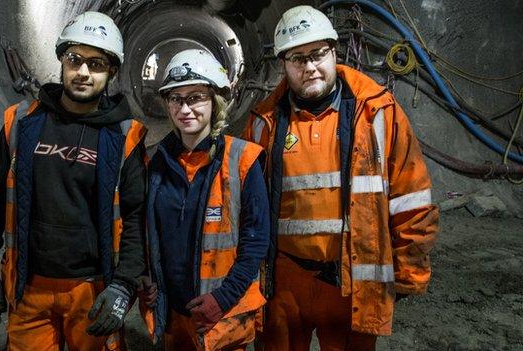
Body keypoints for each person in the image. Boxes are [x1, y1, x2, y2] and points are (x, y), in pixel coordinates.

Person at [242, 5, 439, 351]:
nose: (311, 67)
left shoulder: (378, 112)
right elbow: (246, 211)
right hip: (286, 281)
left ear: (334, 52)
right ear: (283, 65)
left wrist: (409, 271)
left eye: (318, 54)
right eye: (297, 58)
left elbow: (412, 196)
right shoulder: (263, 124)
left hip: (350, 279)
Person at [0, 11, 147, 350]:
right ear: (62, 60)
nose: (83, 72)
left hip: (92, 289)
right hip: (30, 287)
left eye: (96, 64)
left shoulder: (125, 136)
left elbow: (136, 216)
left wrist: (123, 285)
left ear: (111, 71)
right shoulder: (22, 122)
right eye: (75, 59)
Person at [139, 49, 270, 351]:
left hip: (221, 316)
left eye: (196, 97)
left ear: (215, 102)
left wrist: (223, 298)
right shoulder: (156, 163)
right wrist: (145, 277)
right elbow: (148, 233)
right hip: (174, 316)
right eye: (176, 98)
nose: (185, 108)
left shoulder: (242, 160)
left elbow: (256, 240)